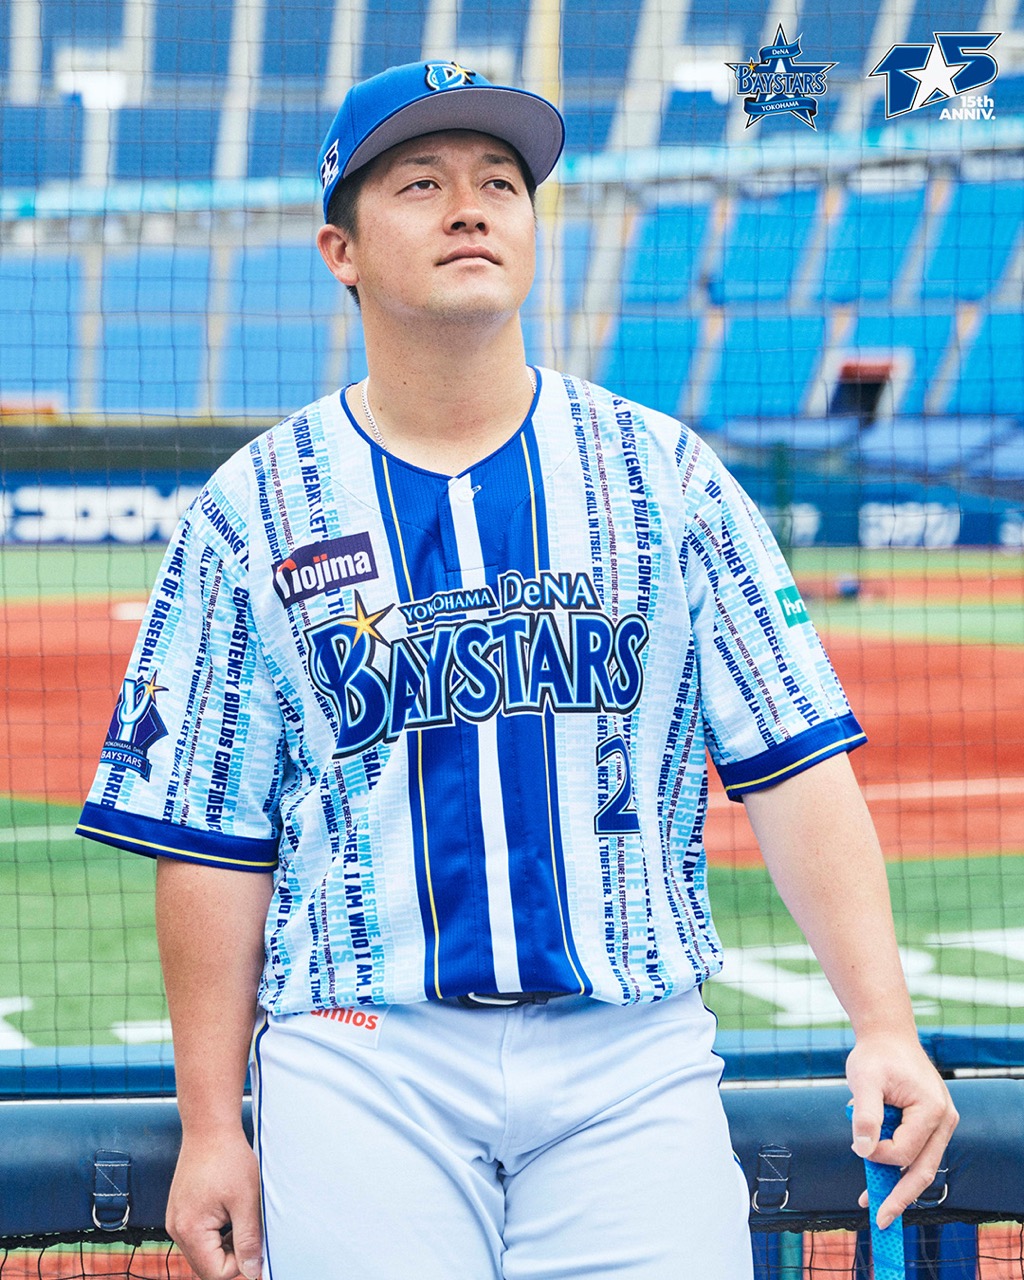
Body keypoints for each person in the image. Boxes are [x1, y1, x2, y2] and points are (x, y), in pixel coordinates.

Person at [77, 59, 957, 1280]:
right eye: (421, 183)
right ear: (340, 249)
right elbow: (211, 841)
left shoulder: (666, 476)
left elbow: (791, 761)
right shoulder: (253, 507)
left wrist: (883, 1022)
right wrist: (214, 1122)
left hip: (630, 1047)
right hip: (361, 1048)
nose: (470, 208)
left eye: (500, 182)